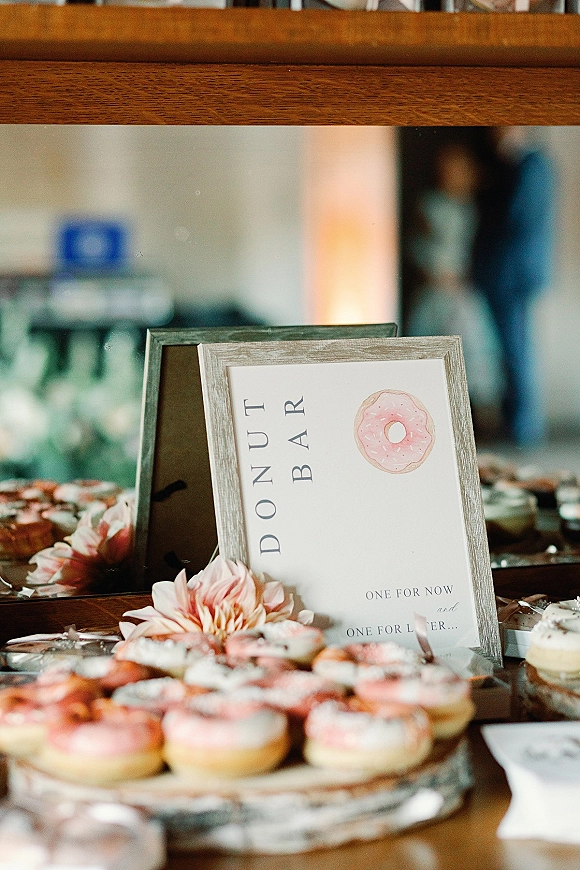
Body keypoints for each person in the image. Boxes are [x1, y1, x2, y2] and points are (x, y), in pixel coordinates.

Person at [407, 140, 502, 426]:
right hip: (436, 287)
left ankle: (478, 413)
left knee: (473, 343)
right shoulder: (431, 205)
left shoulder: (468, 208)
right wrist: (435, 270)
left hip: (459, 287)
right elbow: (419, 245)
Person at [472, 127, 556, 448]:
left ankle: (522, 425)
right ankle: (517, 422)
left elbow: (517, 218)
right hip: (506, 273)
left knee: (516, 349)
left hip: (513, 274)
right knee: (511, 349)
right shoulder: (519, 166)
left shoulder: (529, 166)